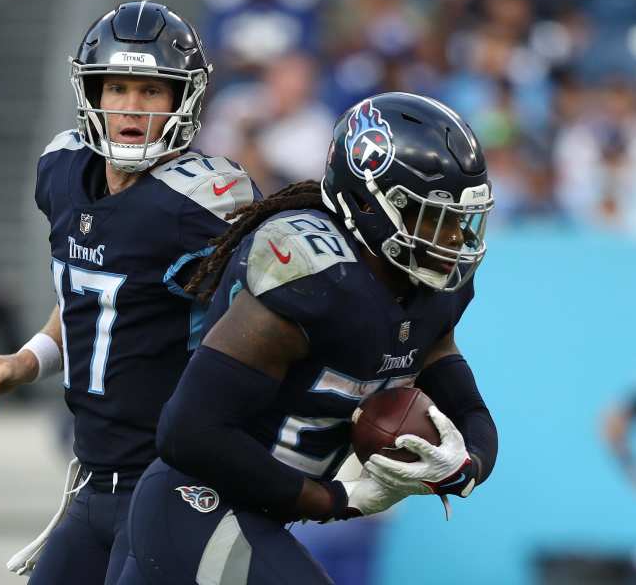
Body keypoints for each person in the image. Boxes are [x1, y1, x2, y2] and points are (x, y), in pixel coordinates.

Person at [118, 92, 500, 584]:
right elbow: (188, 432)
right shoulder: (312, 275)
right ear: (367, 202)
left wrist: (464, 466)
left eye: (459, 223)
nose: (453, 241)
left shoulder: (430, 292)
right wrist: (332, 501)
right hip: (196, 502)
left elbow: (470, 412)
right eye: (434, 218)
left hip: (254, 517)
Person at [0, 1, 258, 585]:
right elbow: (92, 297)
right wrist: (28, 359)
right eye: (116, 87)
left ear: (182, 99)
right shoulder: (64, 170)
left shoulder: (199, 203)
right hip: (92, 482)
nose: (131, 108)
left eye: (151, 91)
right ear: (90, 92)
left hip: (168, 484)